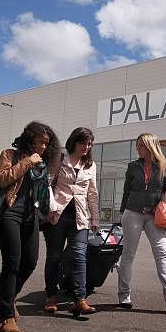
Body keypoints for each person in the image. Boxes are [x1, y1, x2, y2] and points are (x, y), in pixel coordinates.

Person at [0, 121, 60, 332]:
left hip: (31, 217)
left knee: (30, 262)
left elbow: (43, 190)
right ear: (30, 138)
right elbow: (4, 179)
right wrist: (27, 162)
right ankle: (5, 317)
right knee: (12, 263)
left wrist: (49, 209)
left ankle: (10, 297)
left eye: (46, 144)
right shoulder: (9, 154)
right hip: (10, 214)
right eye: (40, 142)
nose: (43, 147)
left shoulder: (41, 164)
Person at [117, 133, 166, 310]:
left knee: (162, 253)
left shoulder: (164, 167)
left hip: (153, 215)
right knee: (128, 254)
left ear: (150, 146)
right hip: (132, 212)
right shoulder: (133, 166)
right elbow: (126, 191)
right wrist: (121, 215)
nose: (138, 149)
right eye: (137, 145)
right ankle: (124, 295)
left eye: (141, 145)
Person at [43, 127, 99, 316]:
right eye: (83, 143)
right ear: (74, 142)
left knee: (79, 256)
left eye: (89, 144)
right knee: (54, 256)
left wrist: (95, 218)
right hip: (57, 214)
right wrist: (50, 207)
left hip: (80, 216)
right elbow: (48, 184)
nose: (86, 147)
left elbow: (92, 193)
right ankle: (51, 296)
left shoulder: (91, 165)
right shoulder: (59, 159)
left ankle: (80, 300)